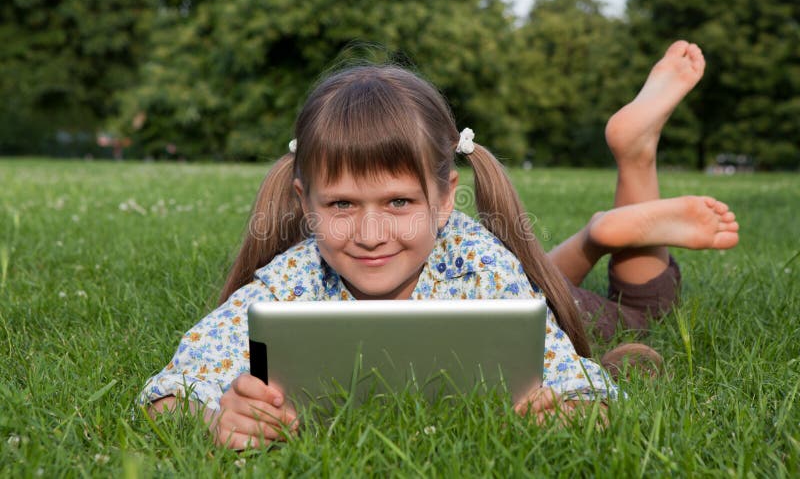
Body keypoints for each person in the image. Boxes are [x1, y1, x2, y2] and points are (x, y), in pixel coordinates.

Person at [140, 63, 620, 449]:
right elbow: (167, 392)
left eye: (398, 202)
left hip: (573, 303)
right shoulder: (290, 283)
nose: (371, 235)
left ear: (447, 198)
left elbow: (588, 391)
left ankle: (610, 224)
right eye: (342, 204)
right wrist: (216, 419)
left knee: (630, 309)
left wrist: (575, 412)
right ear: (306, 202)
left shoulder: (481, 266)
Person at [546, 40, 738, 364]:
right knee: (509, 286)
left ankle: (628, 179)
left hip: (522, 318)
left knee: (642, 315)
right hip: (524, 295)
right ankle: (608, 210)